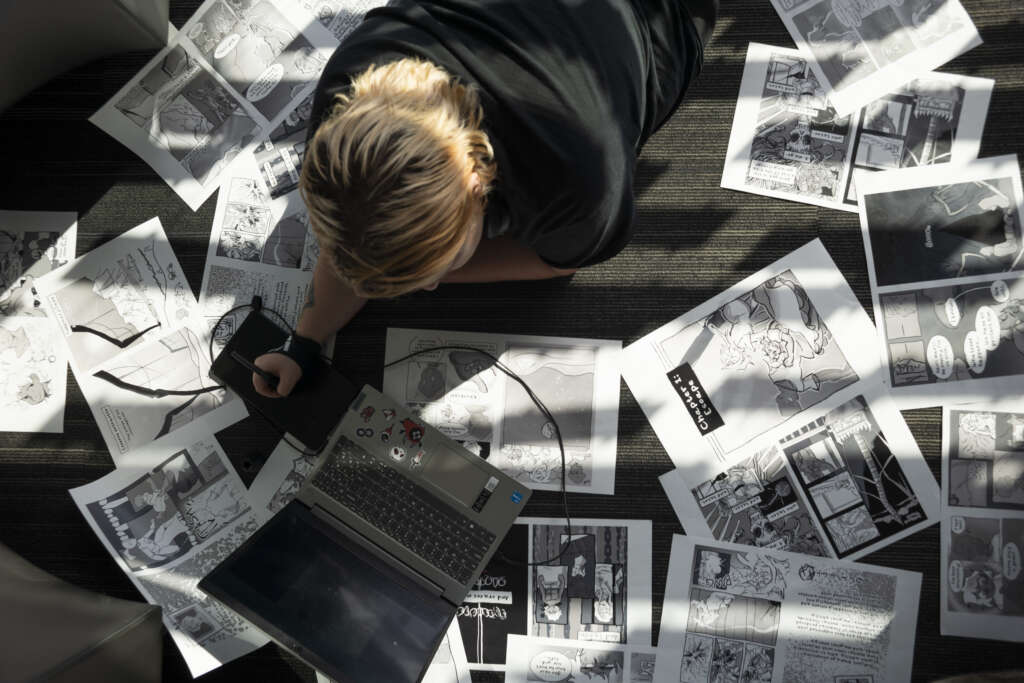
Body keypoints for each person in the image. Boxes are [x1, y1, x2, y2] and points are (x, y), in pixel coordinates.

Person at [253, 0, 717, 397]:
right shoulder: (350, 82)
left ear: (480, 190)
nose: (431, 287)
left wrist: (414, 277)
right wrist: (304, 341)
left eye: (443, 266)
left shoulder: (577, 182)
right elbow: (353, 234)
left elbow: (558, 262)